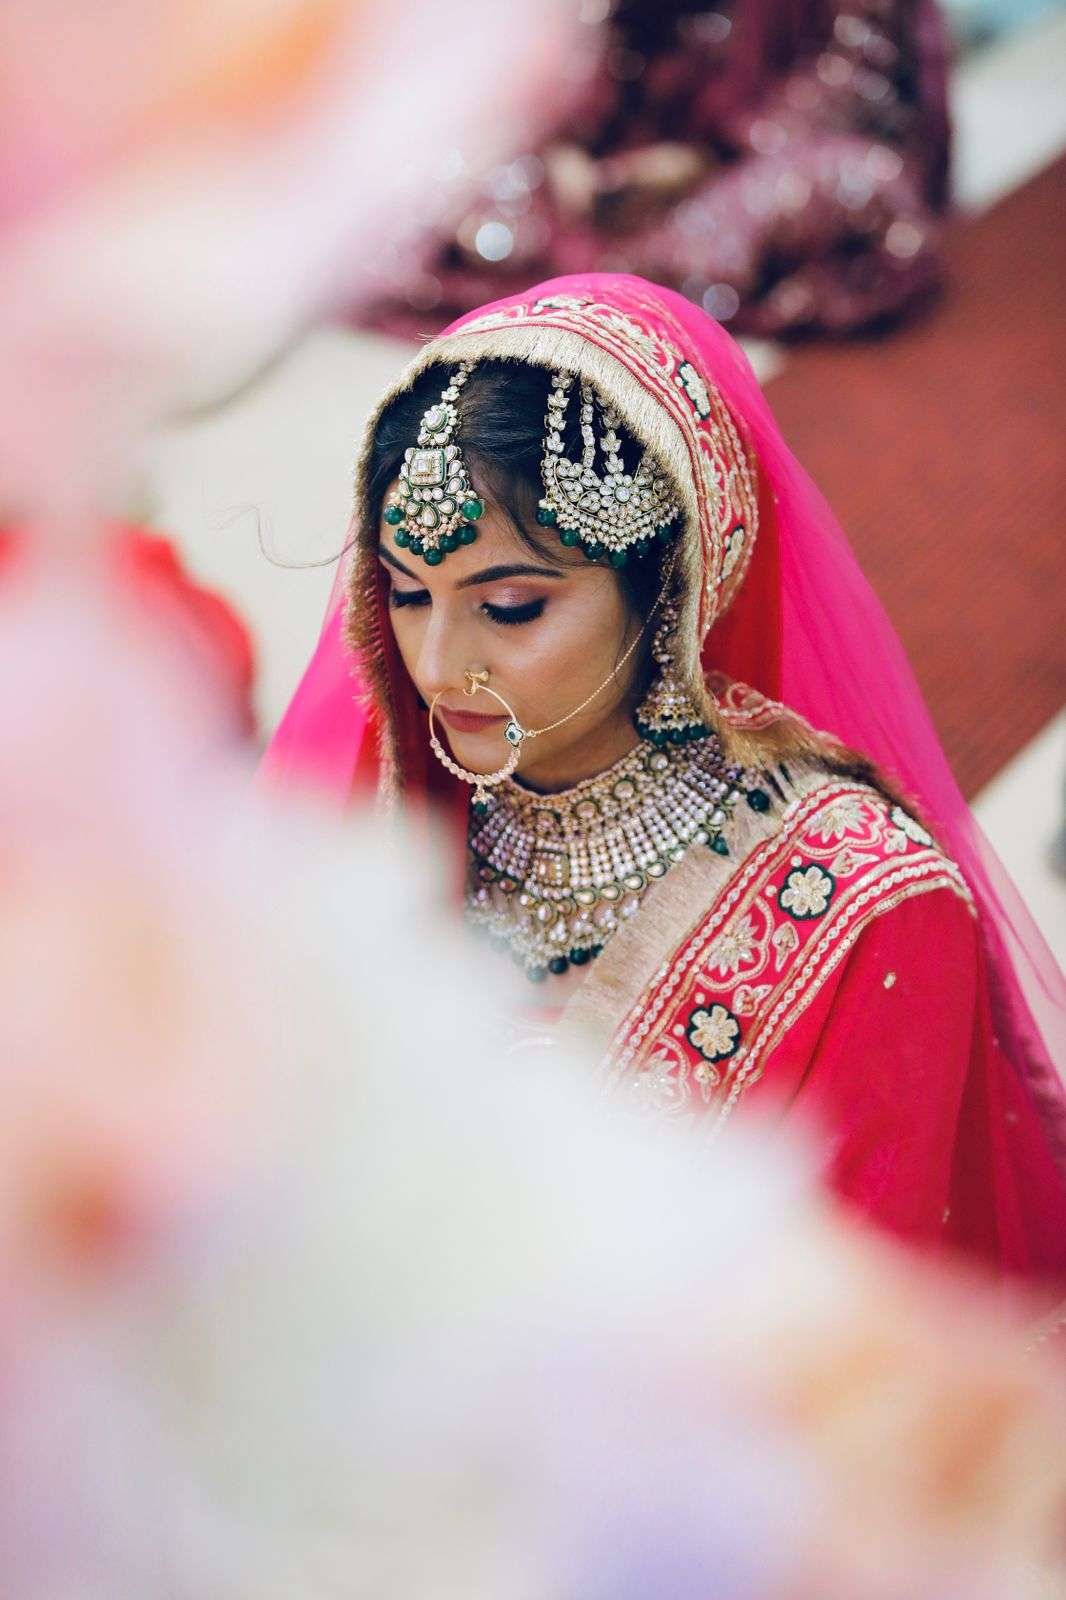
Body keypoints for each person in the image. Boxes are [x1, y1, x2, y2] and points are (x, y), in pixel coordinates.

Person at [263, 273, 1066, 1297]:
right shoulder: (385, 813)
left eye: (509, 608)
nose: (436, 664)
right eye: (407, 593)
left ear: (668, 590)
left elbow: (849, 1324)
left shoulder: (862, 906)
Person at [362, 0, 951, 340]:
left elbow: (851, 78)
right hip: (629, 168)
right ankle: (627, 278)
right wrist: (569, 152)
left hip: (755, 165)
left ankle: (604, 279)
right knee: (452, 190)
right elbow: (590, 55)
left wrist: (705, 159)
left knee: (860, 187)